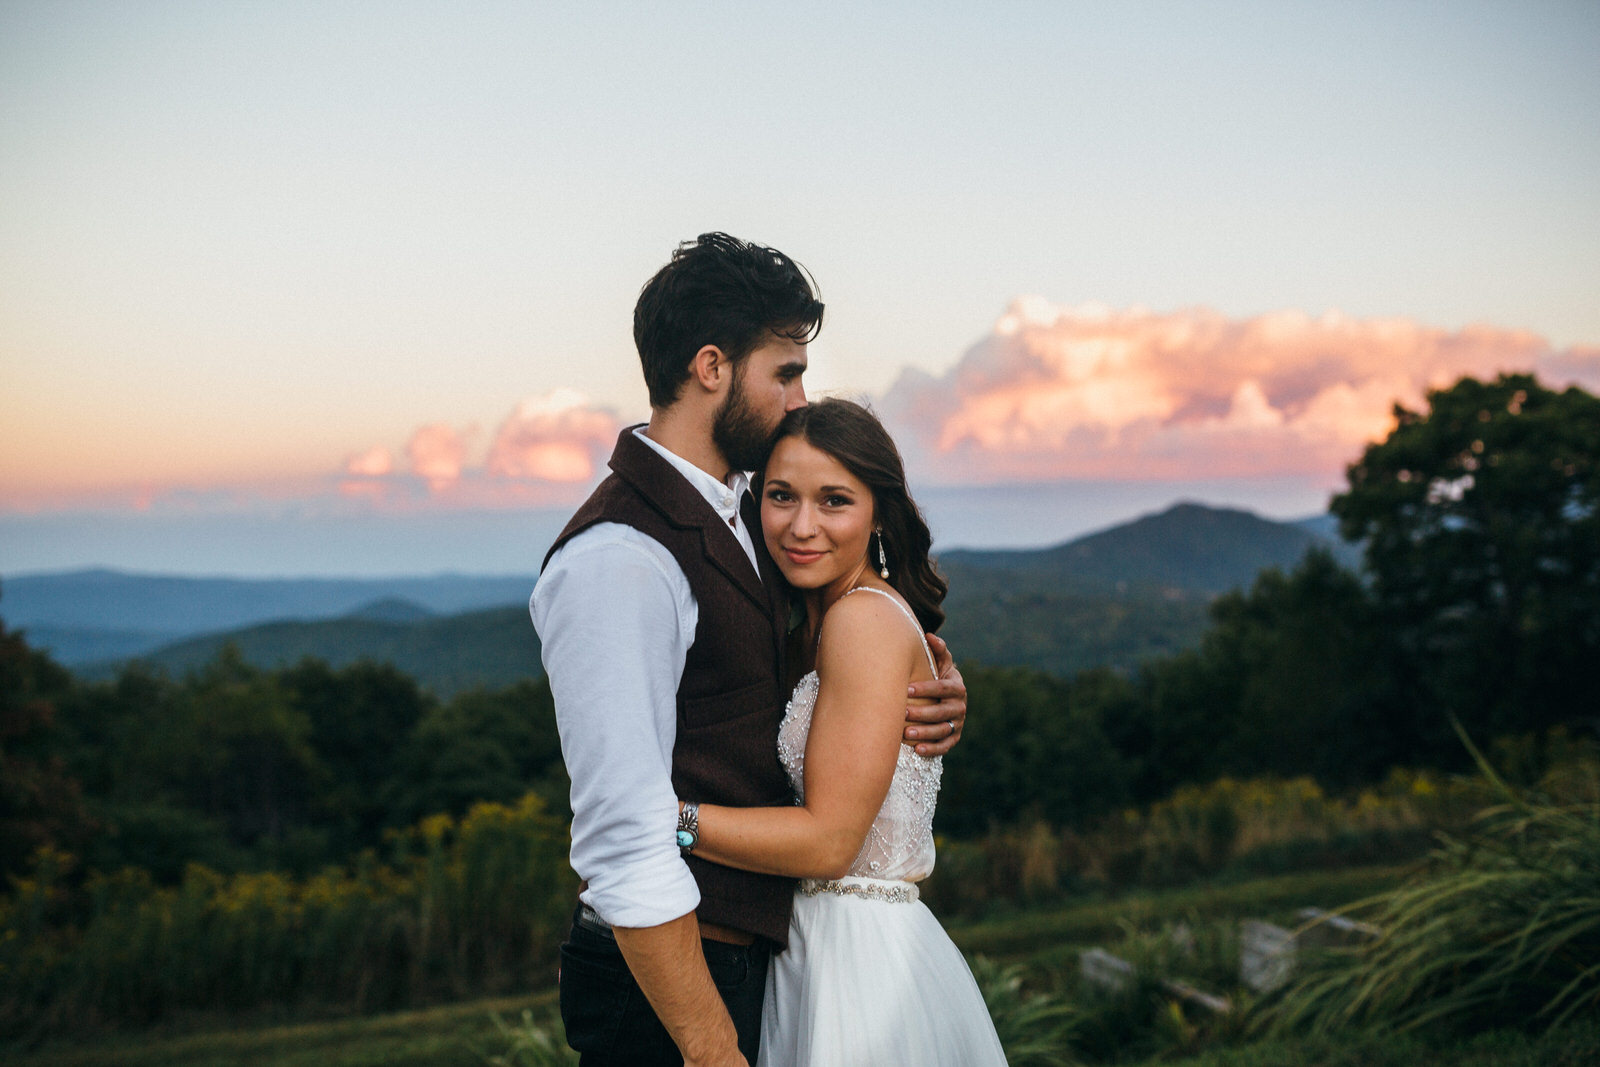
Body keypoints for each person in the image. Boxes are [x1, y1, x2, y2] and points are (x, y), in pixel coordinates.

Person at [531, 234, 969, 1067]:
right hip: (671, 981)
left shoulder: (746, 507)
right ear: (711, 367)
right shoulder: (620, 559)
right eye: (786, 371)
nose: (799, 395)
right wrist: (707, 1046)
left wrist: (930, 685)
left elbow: (825, 654)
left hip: (764, 957)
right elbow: (625, 835)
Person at [679, 398, 1008, 1065]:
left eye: (834, 500)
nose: (802, 526)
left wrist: (670, 820)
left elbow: (831, 841)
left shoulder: (860, 621)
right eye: (781, 496)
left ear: (879, 512)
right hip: (819, 947)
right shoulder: (821, 624)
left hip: (859, 965)